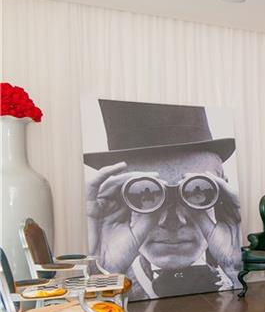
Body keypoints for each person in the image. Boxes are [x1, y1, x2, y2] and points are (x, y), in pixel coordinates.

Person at [83, 99, 242, 300]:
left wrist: (237, 271)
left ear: (222, 193)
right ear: (116, 200)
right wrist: (103, 272)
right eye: (145, 194)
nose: (173, 221)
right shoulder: (107, 271)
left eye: (196, 191)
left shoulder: (235, 277)